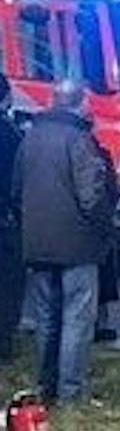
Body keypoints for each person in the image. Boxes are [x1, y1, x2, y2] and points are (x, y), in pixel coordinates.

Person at [11, 77, 115, 405]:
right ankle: (71, 394)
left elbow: (16, 190)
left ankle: (46, 388)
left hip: (38, 242)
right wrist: (105, 225)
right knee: (76, 319)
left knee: (47, 318)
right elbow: (91, 196)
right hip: (77, 244)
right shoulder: (79, 139)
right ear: (79, 102)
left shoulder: (30, 137)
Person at [0, 74, 25, 366]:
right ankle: (4, 342)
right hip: (5, 219)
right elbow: (19, 179)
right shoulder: (11, 134)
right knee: (8, 282)